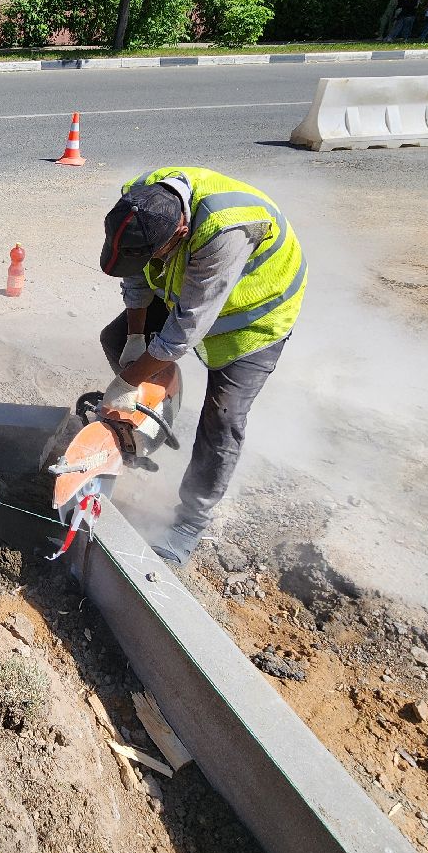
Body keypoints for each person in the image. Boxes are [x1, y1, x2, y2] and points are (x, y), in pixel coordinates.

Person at [97, 168, 306, 565]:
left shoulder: (226, 232)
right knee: (116, 339)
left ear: (179, 233)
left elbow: (185, 329)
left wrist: (126, 382)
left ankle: (190, 523)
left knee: (223, 416)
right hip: (189, 292)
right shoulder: (140, 202)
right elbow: (138, 277)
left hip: (254, 315)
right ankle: (151, 419)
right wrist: (137, 340)